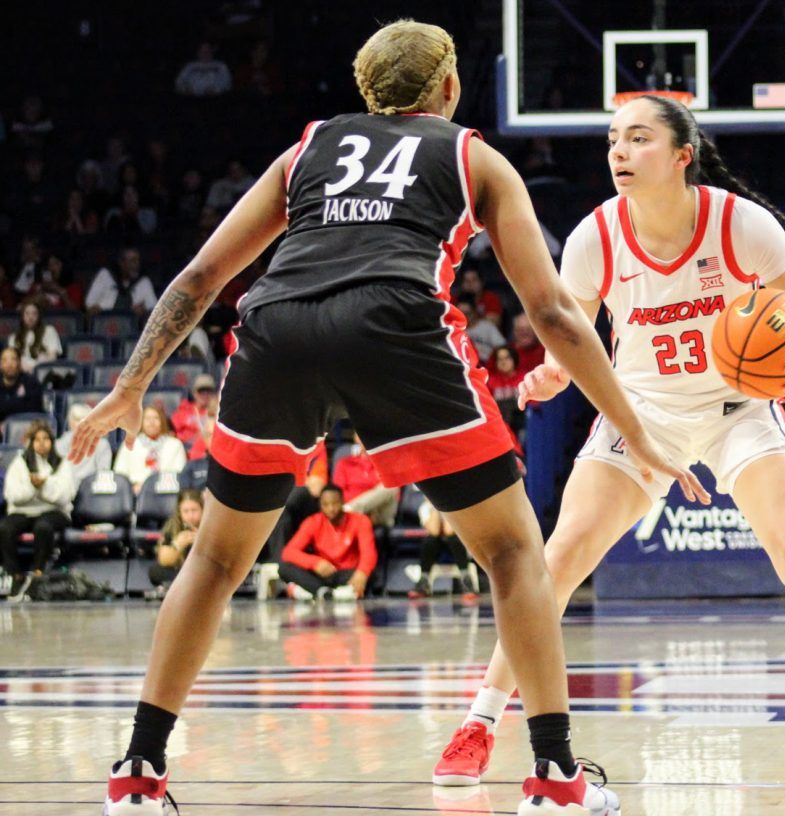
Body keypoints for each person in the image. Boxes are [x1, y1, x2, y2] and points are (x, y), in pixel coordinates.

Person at [71, 20, 699, 816]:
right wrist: (634, 428)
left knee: (216, 561)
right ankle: (553, 780)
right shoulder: (473, 154)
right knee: (512, 553)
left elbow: (201, 278)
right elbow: (555, 314)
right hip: (395, 325)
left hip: (279, 326)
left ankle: (137, 773)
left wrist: (131, 387)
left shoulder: (307, 147)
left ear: (367, 90)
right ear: (448, 88)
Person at [431, 92, 785, 794]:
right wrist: (551, 376)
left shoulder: (741, 224)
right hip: (641, 411)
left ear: (682, 155)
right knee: (557, 558)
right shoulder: (596, 235)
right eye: (611, 141)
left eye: (637, 139)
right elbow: (573, 337)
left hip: (738, 406)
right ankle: (479, 723)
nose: (618, 152)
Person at [0, 421, 74, 599]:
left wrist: (44, 485)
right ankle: (14, 575)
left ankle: (37, 573)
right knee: (5, 528)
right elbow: (12, 495)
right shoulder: (20, 463)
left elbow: (65, 495)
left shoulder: (61, 463)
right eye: (37, 439)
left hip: (54, 511)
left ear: (52, 441)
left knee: (43, 527)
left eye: (46, 439)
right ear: (31, 442)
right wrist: (33, 487)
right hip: (23, 510)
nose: (42, 443)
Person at [280, 485, 376, 602]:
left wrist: (362, 572)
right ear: (320, 505)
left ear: (342, 501)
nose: (331, 509)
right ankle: (323, 592)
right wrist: (315, 563)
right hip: (322, 573)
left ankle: (313, 591)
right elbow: (288, 552)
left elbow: (369, 553)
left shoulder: (360, 521)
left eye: (335, 503)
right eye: (325, 504)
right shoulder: (313, 522)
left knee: (369, 575)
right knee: (284, 568)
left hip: (346, 573)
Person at [408, 491, 479, 601]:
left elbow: (449, 530)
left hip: (456, 543)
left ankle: (466, 579)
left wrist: (445, 505)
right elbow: (434, 530)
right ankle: (424, 580)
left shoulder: (458, 505)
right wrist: (436, 506)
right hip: (436, 546)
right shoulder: (424, 508)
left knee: (454, 539)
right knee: (430, 540)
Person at [113, 405, 187, 495]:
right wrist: (132, 488)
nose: (151, 422)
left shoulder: (175, 445)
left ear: (162, 421)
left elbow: (179, 474)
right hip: (135, 493)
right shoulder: (129, 444)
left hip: (167, 492)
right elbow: (120, 474)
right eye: (147, 418)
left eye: (156, 418)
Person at [149, 490, 205, 590]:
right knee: (155, 571)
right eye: (186, 511)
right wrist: (177, 545)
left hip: (205, 571)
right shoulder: (172, 525)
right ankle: (189, 584)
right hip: (181, 571)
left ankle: (187, 584)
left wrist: (202, 540)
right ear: (179, 512)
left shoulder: (210, 524)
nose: (190, 516)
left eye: (194, 510)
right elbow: (163, 560)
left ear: (202, 510)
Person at [84, 247, 158, 317]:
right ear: (122, 263)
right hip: (106, 323)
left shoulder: (144, 281)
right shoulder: (105, 275)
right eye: (132, 260)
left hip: (132, 326)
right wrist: (99, 309)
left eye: (137, 260)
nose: (136, 264)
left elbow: (154, 307)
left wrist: (143, 308)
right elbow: (89, 303)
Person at [56, 402, 113, 488]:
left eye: (84, 420)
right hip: (65, 490)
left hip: (91, 491)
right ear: (70, 422)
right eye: (77, 419)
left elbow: (103, 474)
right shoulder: (61, 443)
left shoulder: (102, 445)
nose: (80, 424)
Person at [170, 373, 219, 460]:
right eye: (201, 391)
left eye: (209, 391)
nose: (205, 395)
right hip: (185, 453)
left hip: (211, 453)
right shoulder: (183, 411)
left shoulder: (219, 413)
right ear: (194, 393)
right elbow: (172, 433)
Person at [8, 299, 62, 374]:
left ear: (39, 316)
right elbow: (12, 360)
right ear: (22, 316)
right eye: (27, 313)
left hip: (44, 372)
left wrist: (36, 367)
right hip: (22, 374)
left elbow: (53, 357)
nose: (31, 317)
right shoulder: (13, 337)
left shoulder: (49, 331)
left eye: (34, 313)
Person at [0, 347, 44, 421]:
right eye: (5, 360)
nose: (9, 364)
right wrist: (19, 401)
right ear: (0, 365)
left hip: (25, 426)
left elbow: (33, 411)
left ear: (19, 363)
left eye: (13, 359)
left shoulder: (31, 383)